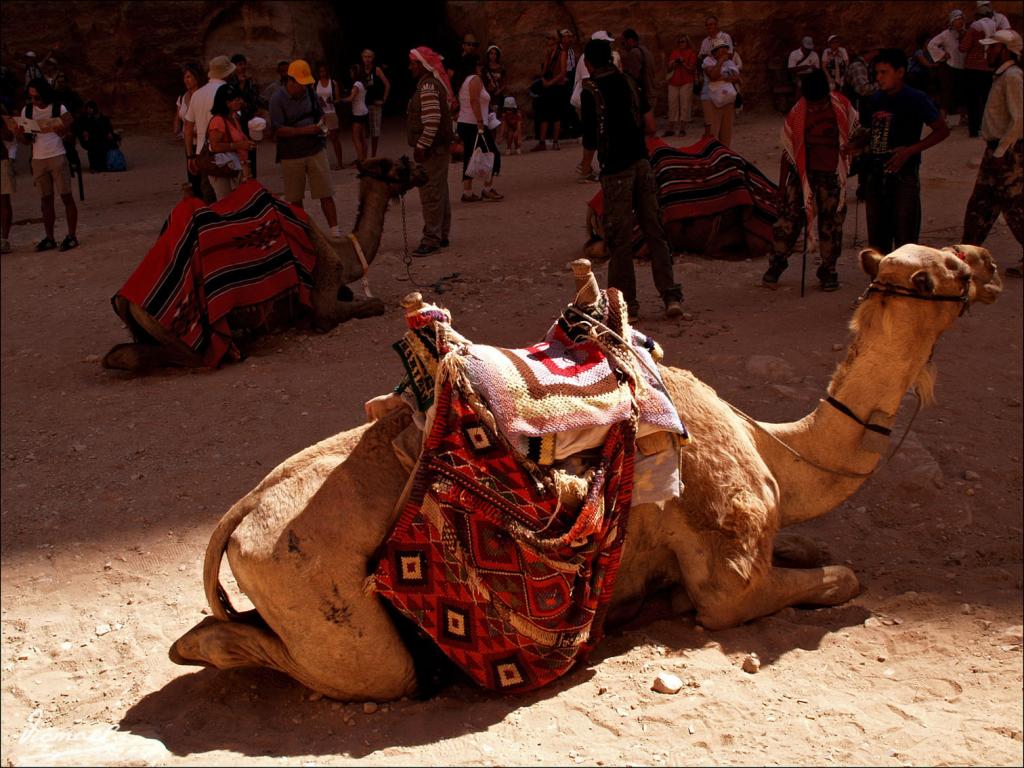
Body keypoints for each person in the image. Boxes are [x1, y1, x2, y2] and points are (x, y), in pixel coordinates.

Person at [579, 38, 684, 322]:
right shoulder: (629, 81)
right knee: (654, 230)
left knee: (620, 239)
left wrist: (584, 167)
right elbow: (649, 123)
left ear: (588, 63)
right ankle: (670, 296)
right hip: (641, 161)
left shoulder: (590, 90)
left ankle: (627, 306)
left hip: (615, 169)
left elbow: (590, 138)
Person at [762, 70, 859, 291]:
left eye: (819, 104)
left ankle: (828, 269)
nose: (814, 108)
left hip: (831, 176)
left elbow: (857, 133)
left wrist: (852, 149)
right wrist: (781, 185)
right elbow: (788, 151)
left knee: (831, 225)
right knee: (787, 222)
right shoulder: (798, 113)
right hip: (803, 174)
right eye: (811, 104)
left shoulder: (841, 107)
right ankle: (777, 263)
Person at [859, 48, 950, 253]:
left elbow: (942, 130)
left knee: (905, 239)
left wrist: (910, 151)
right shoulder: (875, 99)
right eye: (877, 73)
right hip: (876, 173)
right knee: (877, 241)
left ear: (900, 72)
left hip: (904, 174)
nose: (879, 78)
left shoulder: (916, 98)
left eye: (884, 72)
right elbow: (870, 132)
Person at [961, 29, 1022, 274]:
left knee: (1015, 207)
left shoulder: (1013, 77)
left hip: (1007, 152)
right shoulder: (1003, 76)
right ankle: (964, 256)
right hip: (998, 150)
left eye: (993, 47)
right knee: (981, 204)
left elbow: (1019, 120)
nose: (988, 51)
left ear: (1006, 50)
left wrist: (1000, 153)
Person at [269, 59, 341, 238]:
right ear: (290, 81)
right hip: (291, 154)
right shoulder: (277, 99)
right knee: (295, 197)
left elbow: (320, 112)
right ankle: (302, 234)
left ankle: (335, 231)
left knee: (325, 191)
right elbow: (278, 130)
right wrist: (305, 130)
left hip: (315, 148)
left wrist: (321, 125)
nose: (304, 88)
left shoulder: (309, 91)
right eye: (301, 84)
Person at [14, 78, 78, 251]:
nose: (34, 101)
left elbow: (72, 136)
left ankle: (72, 235)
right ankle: (50, 238)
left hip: (57, 155)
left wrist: (63, 132)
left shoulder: (59, 108)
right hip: (38, 158)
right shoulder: (27, 111)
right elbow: (27, 141)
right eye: (31, 98)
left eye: (37, 98)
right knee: (45, 199)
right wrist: (19, 134)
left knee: (66, 196)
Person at [407, 46, 454, 257]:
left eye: (412, 63)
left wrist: (421, 146)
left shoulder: (426, 87)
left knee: (431, 192)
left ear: (420, 64)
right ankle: (441, 233)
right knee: (440, 189)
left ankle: (431, 238)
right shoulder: (433, 85)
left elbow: (432, 121)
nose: (410, 68)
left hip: (432, 150)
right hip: (439, 148)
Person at [184, 55, 234, 204]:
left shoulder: (197, 94)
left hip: (202, 153)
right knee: (229, 198)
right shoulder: (226, 92)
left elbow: (187, 127)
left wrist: (190, 156)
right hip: (225, 152)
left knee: (209, 197)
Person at [454, 53, 503, 203]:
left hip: (466, 122)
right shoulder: (475, 79)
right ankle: (487, 189)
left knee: (471, 155)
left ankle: (467, 192)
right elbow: (474, 100)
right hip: (475, 124)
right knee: (492, 154)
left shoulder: (463, 81)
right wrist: (480, 121)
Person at [206, 83, 254, 199]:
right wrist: (239, 145)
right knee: (226, 204)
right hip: (223, 170)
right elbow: (215, 146)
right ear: (227, 103)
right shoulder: (218, 121)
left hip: (236, 167)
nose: (240, 102)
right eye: (236, 100)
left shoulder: (233, 117)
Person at [960, 3, 1000, 137]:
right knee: (986, 100)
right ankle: (986, 128)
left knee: (972, 100)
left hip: (972, 68)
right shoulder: (995, 28)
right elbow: (996, 50)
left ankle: (973, 129)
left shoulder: (974, 28)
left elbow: (963, 47)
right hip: (988, 69)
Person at [226, 53, 262, 178]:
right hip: (234, 124)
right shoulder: (229, 84)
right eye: (240, 65)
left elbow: (255, 101)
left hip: (248, 122)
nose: (243, 67)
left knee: (251, 152)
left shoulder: (249, 83)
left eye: (244, 64)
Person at [928, 10, 968, 124]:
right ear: (952, 22)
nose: (960, 22)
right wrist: (943, 54)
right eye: (957, 20)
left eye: (961, 19)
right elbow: (932, 44)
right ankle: (943, 119)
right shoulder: (945, 34)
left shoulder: (965, 33)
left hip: (962, 67)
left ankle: (963, 117)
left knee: (962, 93)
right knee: (946, 93)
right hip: (948, 67)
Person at [701, 37, 741, 147]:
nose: (724, 51)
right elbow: (713, 75)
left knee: (726, 131)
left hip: (727, 98)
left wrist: (722, 77)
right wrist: (720, 61)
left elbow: (738, 78)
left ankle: (724, 156)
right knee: (712, 131)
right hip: (710, 99)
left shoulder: (730, 63)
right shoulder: (708, 61)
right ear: (714, 52)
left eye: (725, 48)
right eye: (721, 49)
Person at [531, 32, 566, 151]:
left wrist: (550, 82)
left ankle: (555, 141)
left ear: (555, 40)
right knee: (544, 114)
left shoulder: (562, 53)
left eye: (550, 38)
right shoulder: (548, 53)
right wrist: (542, 79)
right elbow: (545, 70)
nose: (548, 40)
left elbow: (563, 73)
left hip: (556, 86)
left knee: (556, 114)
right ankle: (542, 142)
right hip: (548, 86)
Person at [174, 63, 204, 197]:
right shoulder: (183, 97)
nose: (186, 80)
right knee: (192, 175)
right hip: (189, 141)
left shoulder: (203, 95)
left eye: (189, 77)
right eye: (185, 77)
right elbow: (178, 116)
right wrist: (177, 130)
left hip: (202, 140)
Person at [359, 49, 390, 157]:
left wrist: (383, 100)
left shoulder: (376, 70)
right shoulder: (360, 70)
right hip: (362, 104)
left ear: (373, 58)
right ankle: (363, 156)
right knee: (362, 131)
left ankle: (373, 156)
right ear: (362, 58)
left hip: (374, 104)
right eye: (365, 57)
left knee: (375, 132)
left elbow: (387, 84)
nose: (367, 59)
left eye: (369, 57)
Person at [665, 34, 697, 137]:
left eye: (683, 41)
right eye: (679, 42)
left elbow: (692, 69)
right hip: (673, 82)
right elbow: (669, 68)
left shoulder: (691, 53)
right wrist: (673, 63)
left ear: (687, 42)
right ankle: (671, 128)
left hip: (686, 81)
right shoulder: (674, 53)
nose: (681, 44)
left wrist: (683, 64)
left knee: (685, 105)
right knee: (672, 104)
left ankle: (682, 128)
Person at [314, 62, 344, 169]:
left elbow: (338, 99)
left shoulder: (333, 83)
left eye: (324, 71)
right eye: (320, 71)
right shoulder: (315, 84)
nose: (322, 73)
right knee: (321, 139)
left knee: (334, 138)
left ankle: (340, 163)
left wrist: (333, 101)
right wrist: (319, 102)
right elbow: (314, 99)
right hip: (321, 115)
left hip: (331, 113)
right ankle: (324, 164)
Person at [74, 100, 117, 173]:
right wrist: (83, 132)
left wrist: (109, 133)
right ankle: (94, 166)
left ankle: (102, 165)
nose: (89, 110)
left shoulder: (100, 117)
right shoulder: (83, 118)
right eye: (88, 108)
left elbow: (107, 126)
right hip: (90, 140)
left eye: (90, 108)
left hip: (100, 138)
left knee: (102, 148)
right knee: (93, 149)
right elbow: (79, 127)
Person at [622, 28, 657, 112]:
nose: (623, 45)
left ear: (630, 40)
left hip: (644, 94)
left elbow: (634, 75)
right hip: (651, 92)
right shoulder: (645, 50)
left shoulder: (634, 52)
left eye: (623, 42)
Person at [341, 64, 369, 163]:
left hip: (358, 113)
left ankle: (360, 159)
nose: (350, 74)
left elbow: (351, 98)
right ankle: (365, 158)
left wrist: (341, 100)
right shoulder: (363, 83)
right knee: (363, 137)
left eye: (351, 72)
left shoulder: (356, 84)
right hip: (364, 111)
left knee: (355, 137)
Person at [1, 104, 14, 253]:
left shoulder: (1, 110)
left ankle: (4, 239)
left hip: (1, 160)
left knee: (4, 200)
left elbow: (10, 136)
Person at [483, 45, 507, 113]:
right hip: (486, 95)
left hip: (497, 97)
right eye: (491, 53)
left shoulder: (501, 69)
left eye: (495, 54)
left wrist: (499, 91)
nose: (493, 55)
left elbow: (504, 83)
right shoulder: (484, 69)